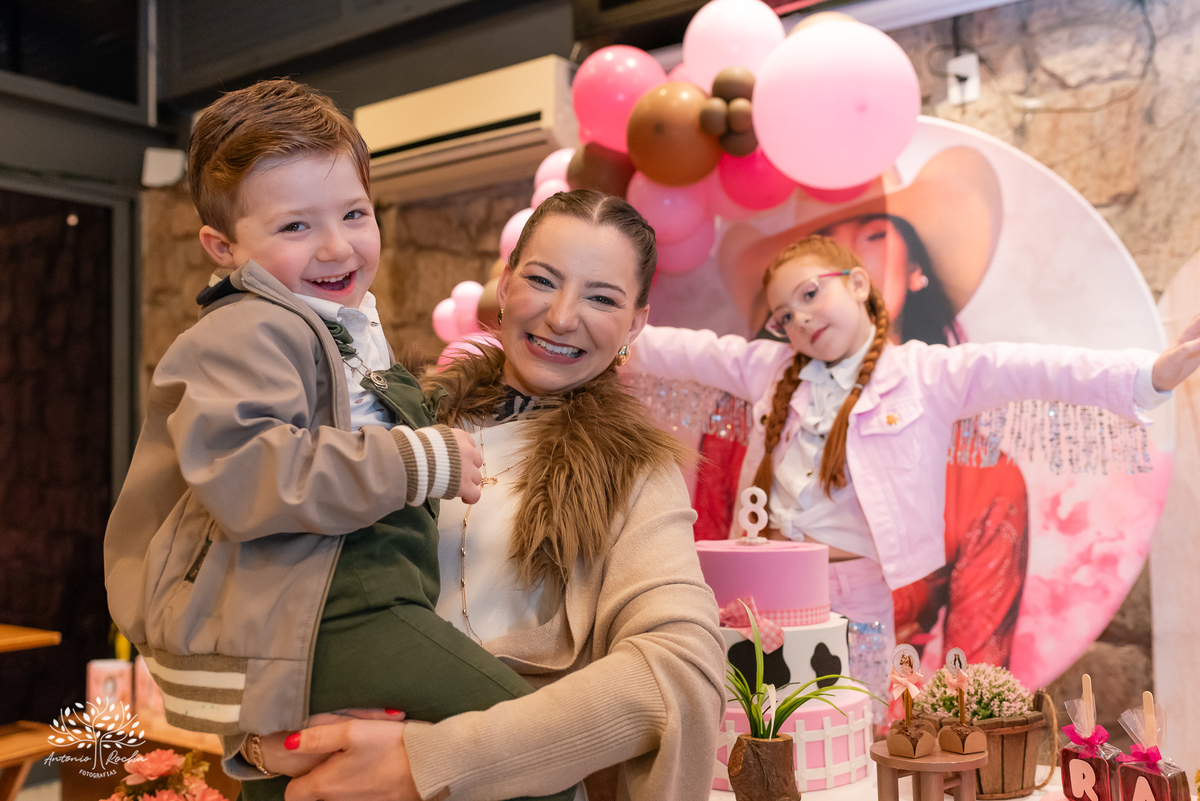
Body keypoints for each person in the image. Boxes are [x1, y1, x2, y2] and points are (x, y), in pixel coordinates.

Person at [103, 78, 590, 801]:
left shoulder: (339, 324)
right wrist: (422, 458)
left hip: (346, 602)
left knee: (312, 780)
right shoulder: (243, 330)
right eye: (295, 226)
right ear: (223, 246)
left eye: (355, 213)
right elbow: (250, 471)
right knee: (529, 751)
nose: (337, 244)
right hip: (335, 609)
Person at [253, 190, 726, 801]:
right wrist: (261, 741)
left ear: (635, 322)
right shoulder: (391, 420)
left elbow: (680, 667)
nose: (561, 316)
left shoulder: (632, 472)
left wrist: (429, 761)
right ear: (505, 285)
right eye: (542, 280)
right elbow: (266, 595)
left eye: (602, 297)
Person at [626, 233, 1200, 708]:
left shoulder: (928, 374)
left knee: (856, 727)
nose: (798, 319)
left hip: (863, 597)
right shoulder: (767, 369)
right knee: (763, 726)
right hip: (770, 590)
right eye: (783, 316)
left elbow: (1037, 369)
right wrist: (593, 326)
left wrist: (1152, 374)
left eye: (808, 295)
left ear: (856, 284)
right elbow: (678, 350)